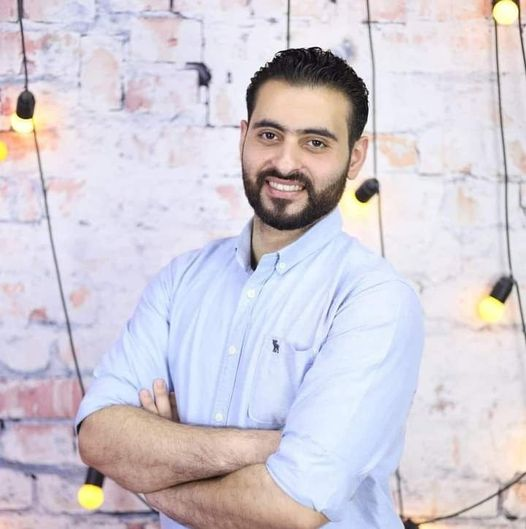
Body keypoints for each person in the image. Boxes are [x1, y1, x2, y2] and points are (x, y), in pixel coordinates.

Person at [76, 47, 424, 529]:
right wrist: (269, 446)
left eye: (315, 143)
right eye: (269, 135)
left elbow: (290, 509)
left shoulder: (373, 300)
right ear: (244, 137)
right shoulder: (182, 280)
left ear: (354, 157)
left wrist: (154, 464)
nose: (285, 163)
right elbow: (97, 437)